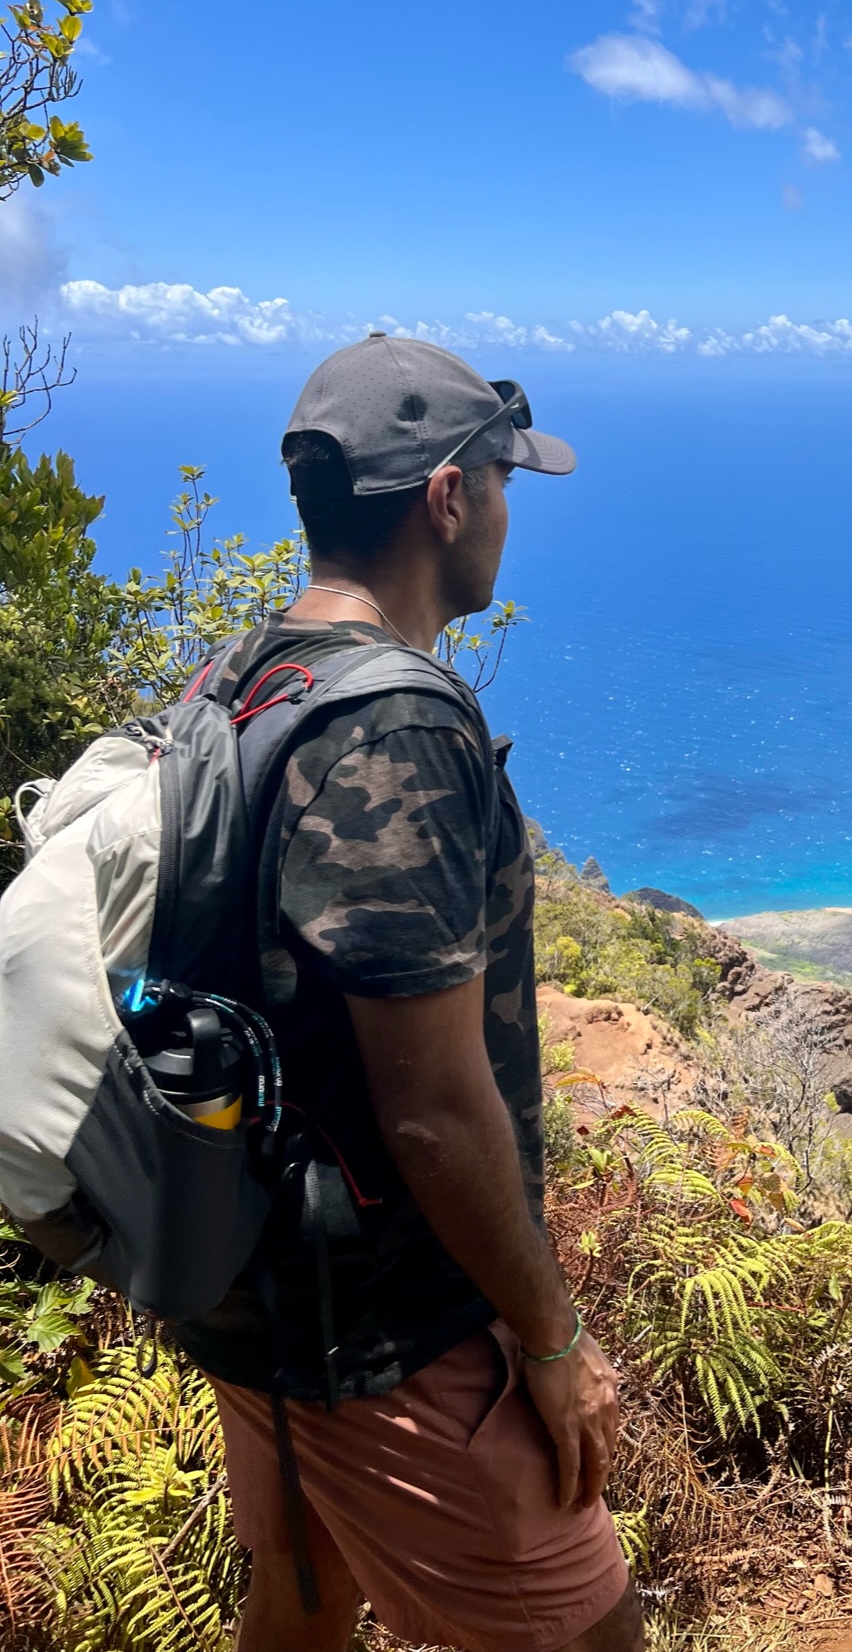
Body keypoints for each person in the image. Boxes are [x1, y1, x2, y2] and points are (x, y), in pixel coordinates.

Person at [172, 335, 642, 1652]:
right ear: (446, 498)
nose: (508, 507)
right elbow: (433, 1104)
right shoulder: (394, 728)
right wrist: (550, 1341)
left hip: (252, 1279)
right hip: (388, 1325)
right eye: (500, 479)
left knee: (301, 1606)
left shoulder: (239, 681)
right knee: (586, 1628)